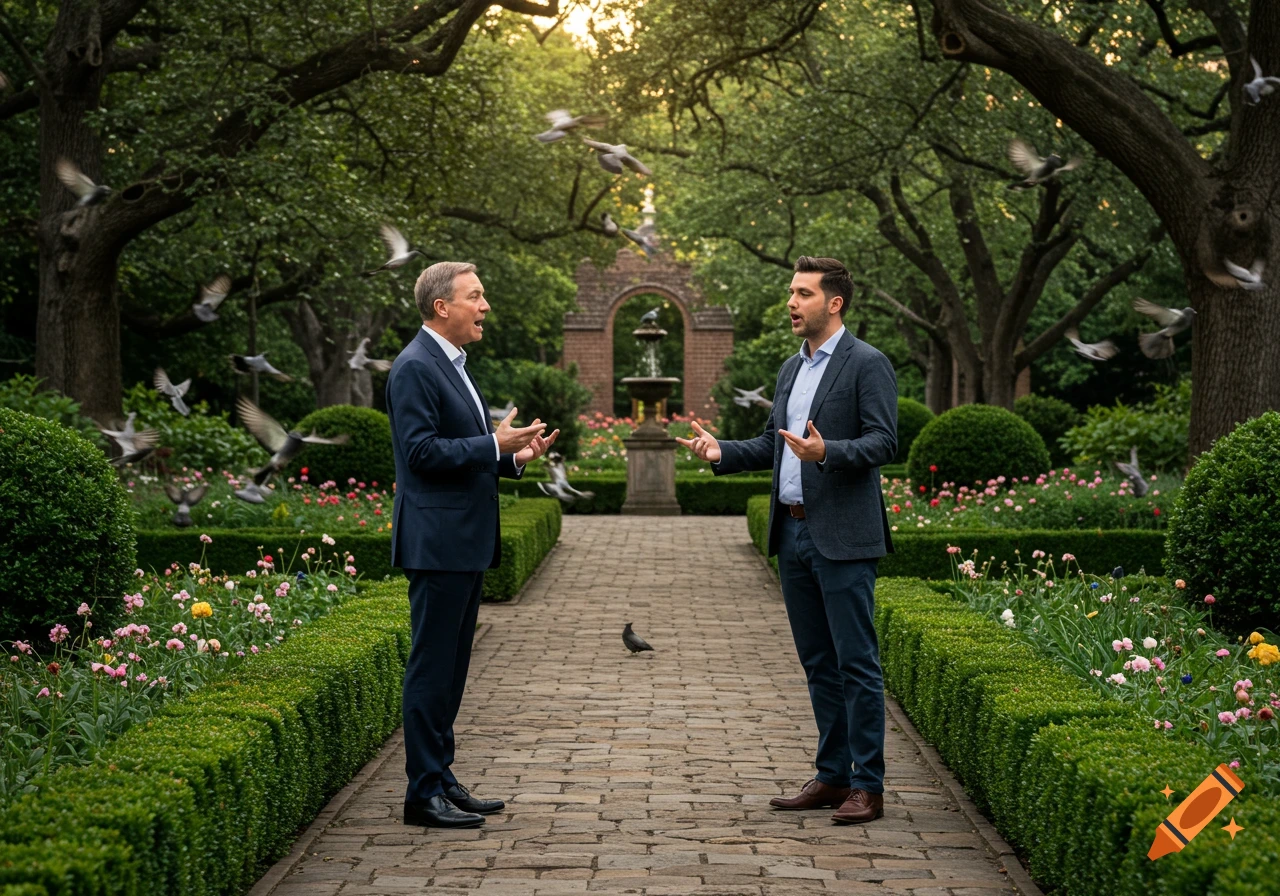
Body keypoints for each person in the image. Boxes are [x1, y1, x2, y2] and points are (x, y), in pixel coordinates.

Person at [677, 256, 897, 825]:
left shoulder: (866, 364)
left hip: (845, 537)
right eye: (792, 293)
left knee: (857, 664)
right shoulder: (789, 370)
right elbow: (774, 444)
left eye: (803, 293)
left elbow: (883, 442)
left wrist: (830, 452)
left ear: (835, 302)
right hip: (793, 533)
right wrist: (722, 451)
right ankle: (831, 777)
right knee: (819, 663)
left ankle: (867, 786)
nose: (792, 303)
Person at [387, 261, 557, 829]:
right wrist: (492, 443)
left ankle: (440, 777)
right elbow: (421, 454)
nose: (485, 307)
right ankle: (421, 795)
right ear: (442, 306)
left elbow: (464, 447)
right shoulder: (415, 367)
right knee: (432, 670)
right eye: (476, 297)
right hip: (437, 543)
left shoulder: (453, 364)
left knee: (453, 669)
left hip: (461, 542)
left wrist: (512, 456)